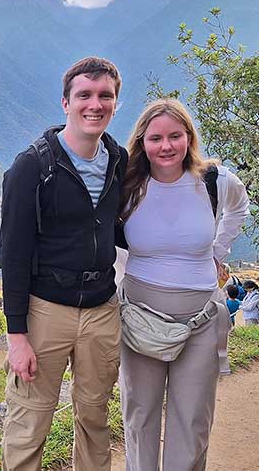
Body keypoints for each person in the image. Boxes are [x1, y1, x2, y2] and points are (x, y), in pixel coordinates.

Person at [0, 56, 127, 471]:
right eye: (84, 95)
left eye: (104, 96)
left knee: (94, 415)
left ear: (115, 102)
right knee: (30, 419)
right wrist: (17, 337)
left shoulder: (119, 161)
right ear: (65, 102)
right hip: (45, 309)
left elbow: (120, 228)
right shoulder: (32, 167)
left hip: (102, 308)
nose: (95, 104)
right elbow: (14, 255)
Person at [118, 98, 249, 470]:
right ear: (142, 141)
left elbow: (240, 206)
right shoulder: (128, 185)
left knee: (192, 420)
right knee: (139, 416)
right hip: (140, 317)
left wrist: (217, 250)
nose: (166, 146)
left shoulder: (215, 182)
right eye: (156, 137)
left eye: (176, 136)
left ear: (189, 138)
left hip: (201, 319)